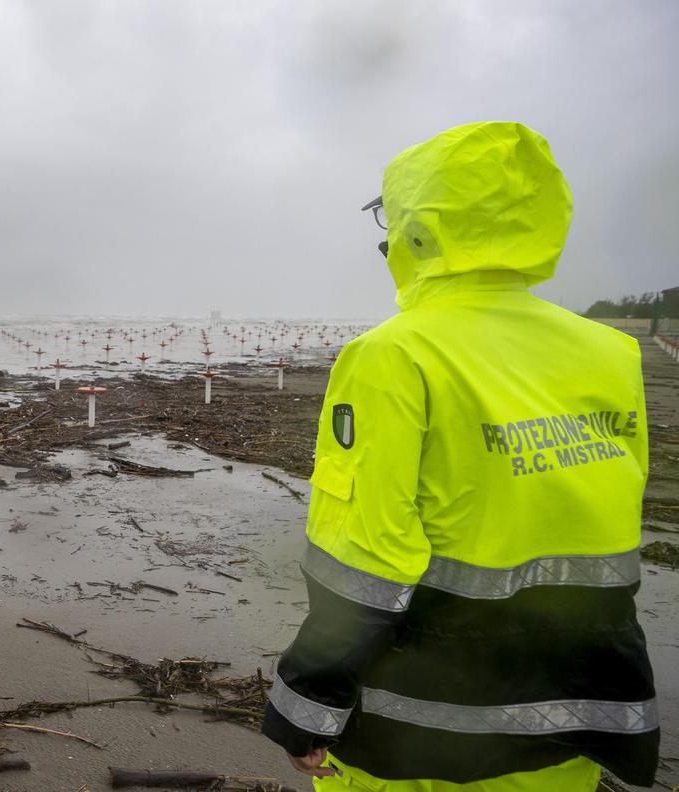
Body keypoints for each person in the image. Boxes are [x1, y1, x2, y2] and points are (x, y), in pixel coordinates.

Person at [260, 122, 659, 790]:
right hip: (577, 716)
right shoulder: (611, 353)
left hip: (422, 730)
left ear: (420, 226)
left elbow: (364, 556)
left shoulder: (394, 355)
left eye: (392, 214)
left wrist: (304, 708)